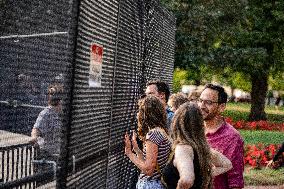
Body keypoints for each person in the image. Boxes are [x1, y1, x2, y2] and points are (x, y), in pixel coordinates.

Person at [162, 102, 232, 189]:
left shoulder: (183, 148)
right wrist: (205, 175)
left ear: (177, 123)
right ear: (200, 125)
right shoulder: (201, 148)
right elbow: (226, 164)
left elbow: (187, 180)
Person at [198, 83, 244, 189]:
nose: (201, 106)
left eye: (208, 102)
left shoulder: (232, 137)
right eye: (200, 100)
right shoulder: (194, 129)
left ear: (222, 107)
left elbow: (235, 182)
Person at [124, 95, 171, 189]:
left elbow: (148, 170)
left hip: (150, 184)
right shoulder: (161, 132)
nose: (137, 114)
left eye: (140, 110)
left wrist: (129, 153)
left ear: (145, 114)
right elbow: (149, 163)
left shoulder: (153, 135)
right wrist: (136, 149)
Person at [30, 84, 63, 184]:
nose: (51, 96)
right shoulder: (46, 113)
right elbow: (36, 128)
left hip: (60, 156)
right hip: (48, 156)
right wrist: (34, 138)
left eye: (53, 93)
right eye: (50, 94)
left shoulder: (63, 114)